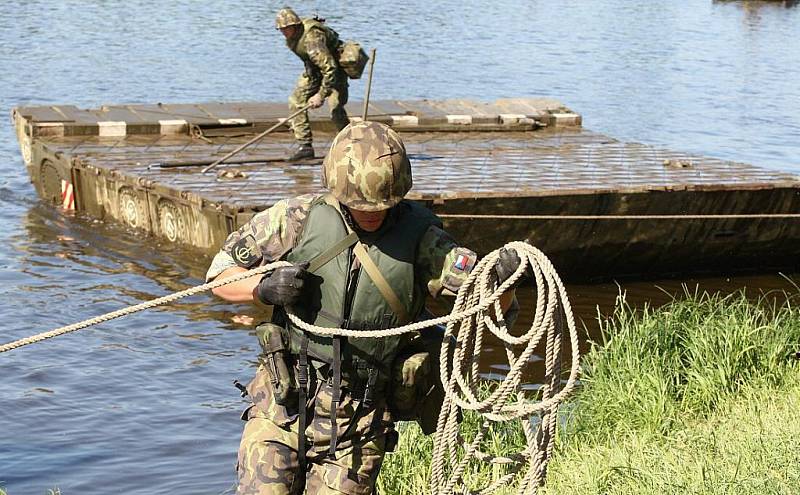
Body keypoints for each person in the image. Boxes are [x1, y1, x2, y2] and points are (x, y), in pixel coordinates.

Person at [206, 121, 521, 495]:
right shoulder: (296, 219)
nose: (372, 213)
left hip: (359, 419)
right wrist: (262, 288)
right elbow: (220, 275)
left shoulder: (423, 241)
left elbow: (490, 306)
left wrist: (503, 281)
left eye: (384, 205)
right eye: (359, 205)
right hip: (282, 402)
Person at [275, 7, 350, 162]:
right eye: (281, 29)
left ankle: (350, 144)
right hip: (315, 71)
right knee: (296, 101)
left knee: (335, 109)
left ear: (294, 26)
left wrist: (320, 95)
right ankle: (305, 147)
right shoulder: (294, 37)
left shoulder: (312, 39)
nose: (283, 32)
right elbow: (314, 62)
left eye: (285, 29)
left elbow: (330, 69)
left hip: (335, 71)